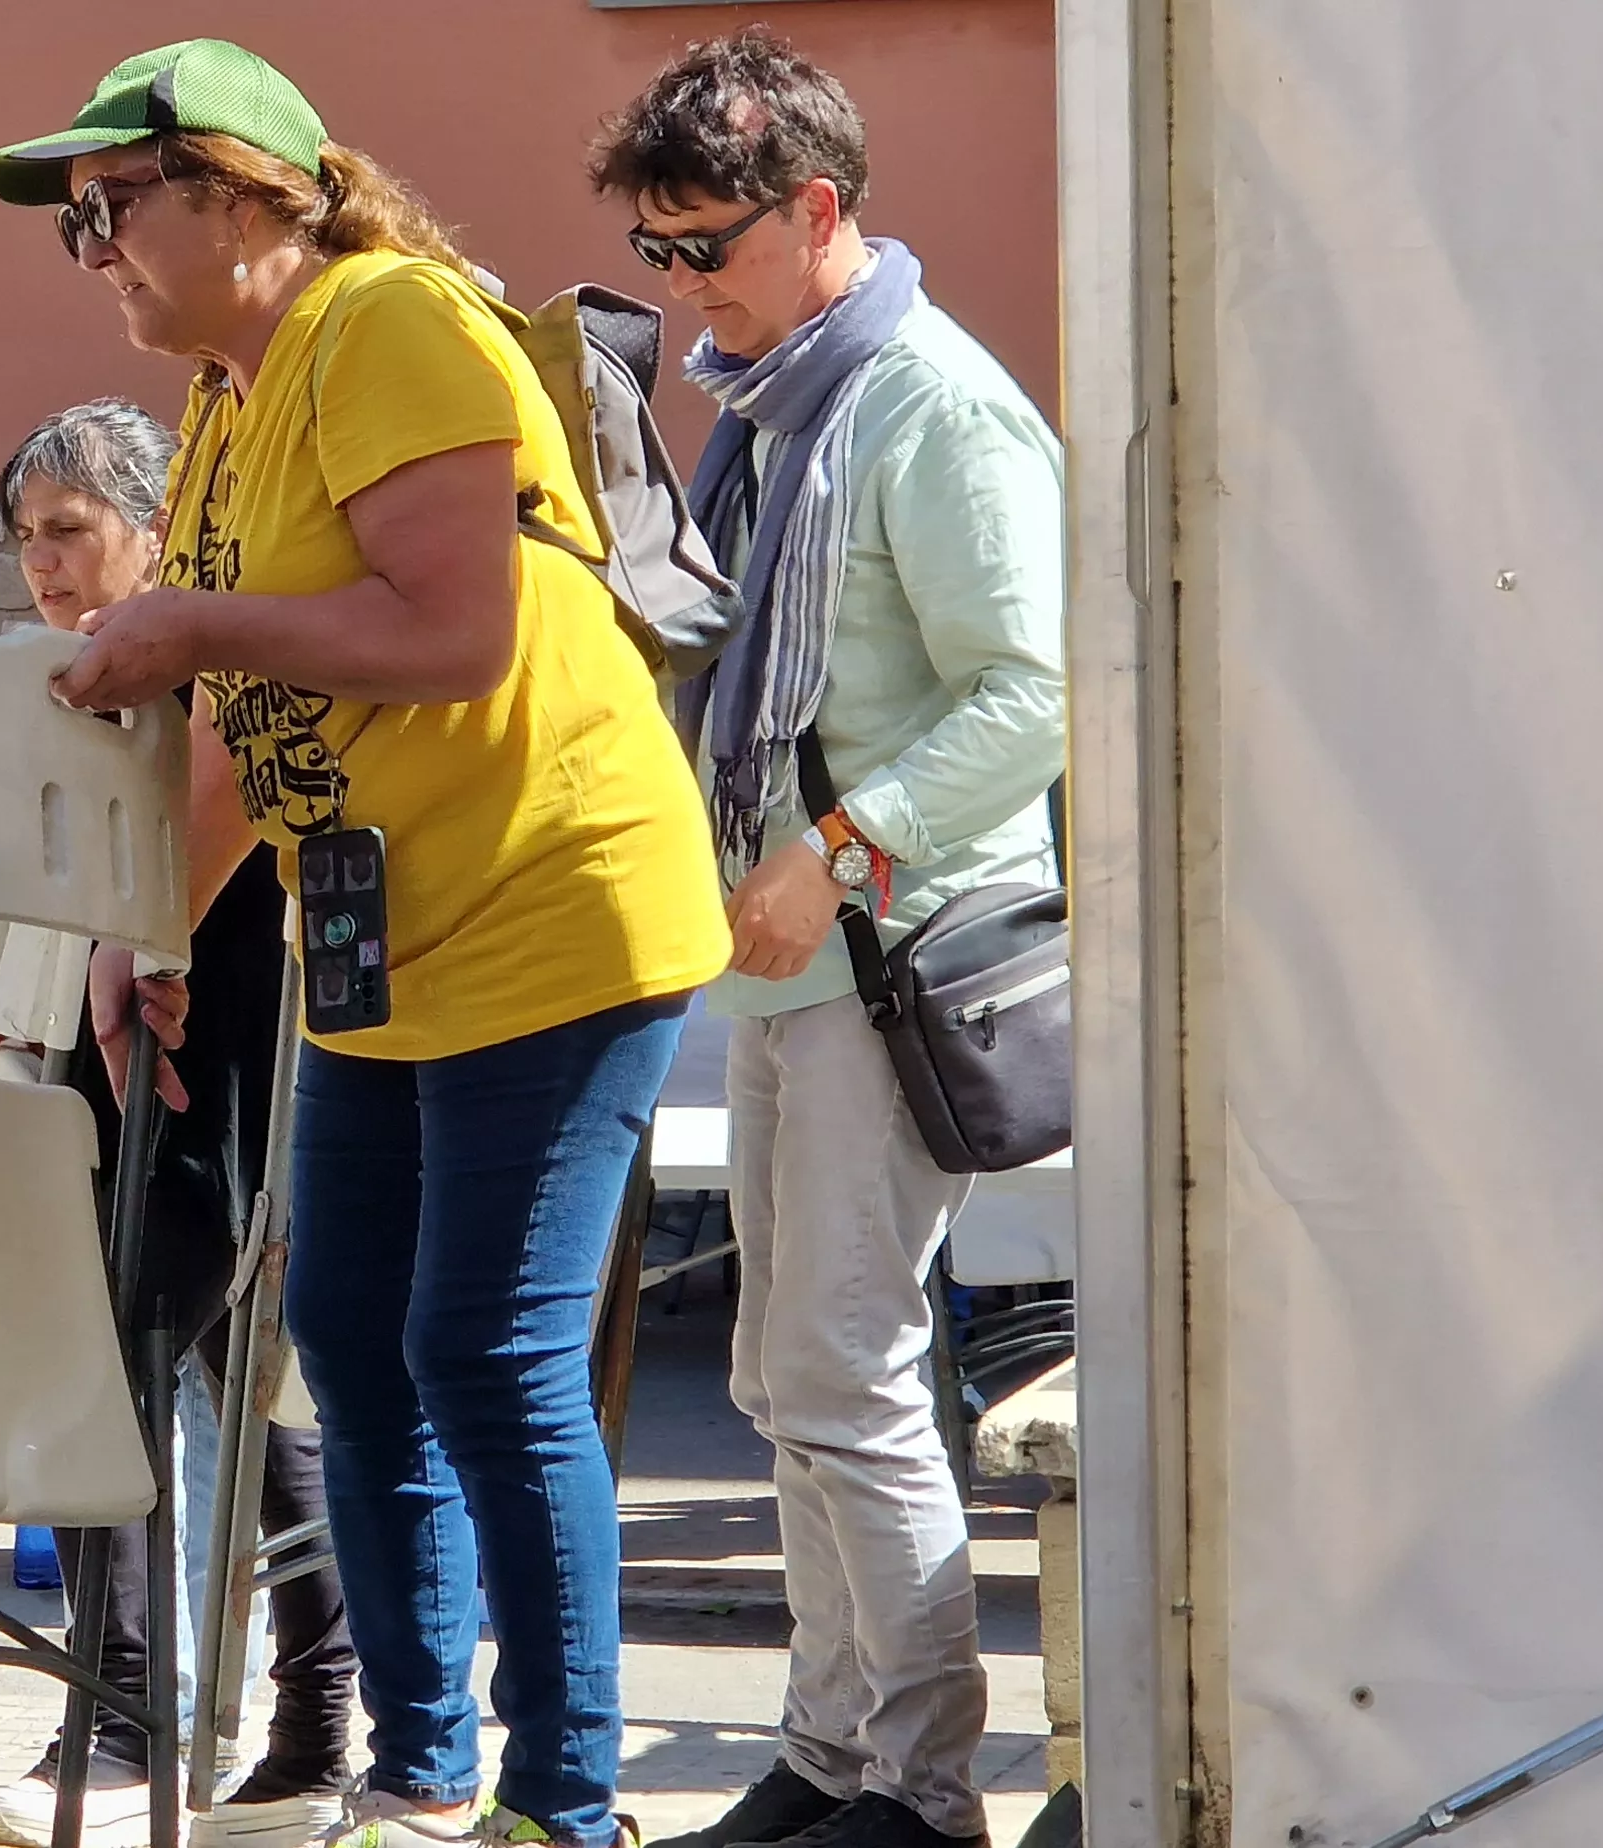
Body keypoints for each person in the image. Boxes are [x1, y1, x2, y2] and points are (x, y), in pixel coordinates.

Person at [0, 40, 733, 1848]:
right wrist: (149, 921)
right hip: (386, 930)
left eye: (113, 207)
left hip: (558, 896)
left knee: (486, 1345)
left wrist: (184, 622)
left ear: (246, 195)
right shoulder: (244, 393)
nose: (93, 249)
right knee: (342, 1322)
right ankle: (414, 1773)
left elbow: (457, 633)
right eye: (75, 221)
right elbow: (251, 718)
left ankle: (563, 1803)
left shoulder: (386, 321)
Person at [593, 33, 1065, 1848]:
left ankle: (925, 1790)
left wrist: (847, 849)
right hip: (798, 955)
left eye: (705, 243)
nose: (685, 283)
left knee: (849, 1374)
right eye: (659, 252)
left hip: (890, 948)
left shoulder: (930, 403)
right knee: (788, 1376)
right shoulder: (782, 401)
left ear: (819, 206)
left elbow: (1032, 694)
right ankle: (828, 1748)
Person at [0, 402, 360, 1848]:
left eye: (70, 530)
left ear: (158, 529)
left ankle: (166, 1726)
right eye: (25, 539)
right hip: (109, 1041)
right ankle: (218, 1723)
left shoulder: (224, 673)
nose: (45, 565)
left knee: (211, 1363)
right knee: (162, 1358)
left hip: (219, 1033)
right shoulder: (57, 685)